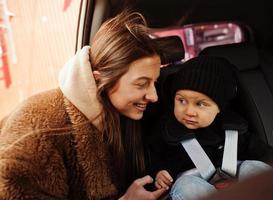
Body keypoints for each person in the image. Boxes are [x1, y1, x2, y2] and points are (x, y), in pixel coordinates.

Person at [0, 10, 167, 199]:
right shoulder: (38, 129)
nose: (154, 96)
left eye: (154, 83)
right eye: (141, 84)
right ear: (100, 80)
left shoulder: (120, 116)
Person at [146, 56, 272, 200]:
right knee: (187, 187)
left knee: (253, 167)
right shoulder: (166, 131)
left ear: (219, 108)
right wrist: (159, 173)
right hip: (193, 183)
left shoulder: (234, 128)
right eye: (181, 101)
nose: (189, 111)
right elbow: (153, 160)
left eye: (200, 104)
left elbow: (263, 152)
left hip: (238, 184)